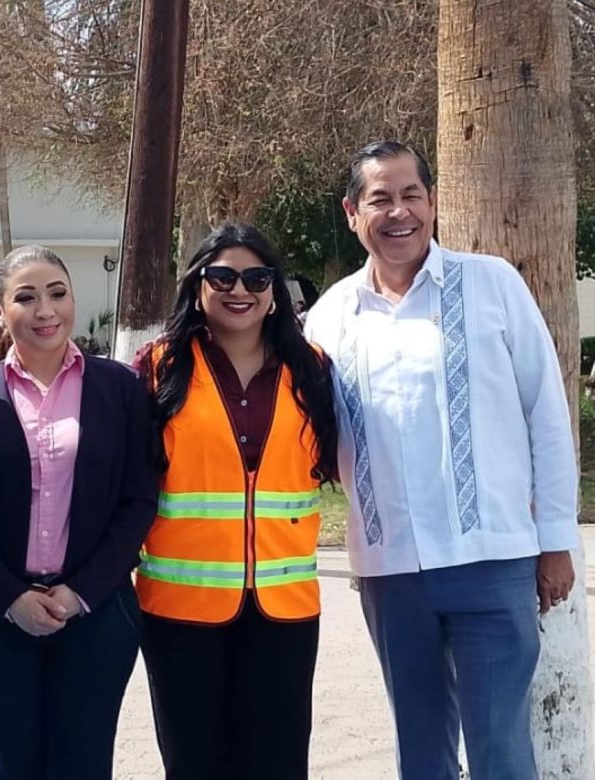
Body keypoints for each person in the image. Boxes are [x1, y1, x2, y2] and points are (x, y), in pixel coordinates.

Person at [304, 141, 579, 779]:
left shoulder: (492, 284)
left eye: (411, 195)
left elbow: (546, 414)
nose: (398, 212)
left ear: (432, 202)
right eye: (380, 199)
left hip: (494, 559)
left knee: (500, 749)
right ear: (352, 213)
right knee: (421, 748)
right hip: (389, 566)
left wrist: (556, 540)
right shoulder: (329, 317)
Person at [0, 245, 157, 780]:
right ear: (0, 311)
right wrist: (12, 598)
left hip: (97, 614)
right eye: (26, 298)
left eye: (57, 293)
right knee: (16, 762)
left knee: (83, 764)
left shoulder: (120, 388)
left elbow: (139, 500)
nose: (45, 310)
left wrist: (78, 593)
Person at [134, 223, 338, 779]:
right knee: (194, 764)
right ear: (198, 285)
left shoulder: (314, 371)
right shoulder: (157, 368)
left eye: (256, 277)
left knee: (278, 763)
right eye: (221, 276)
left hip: (284, 610)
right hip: (180, 610)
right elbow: (125, 486)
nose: (238, 289)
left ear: (275, 291)